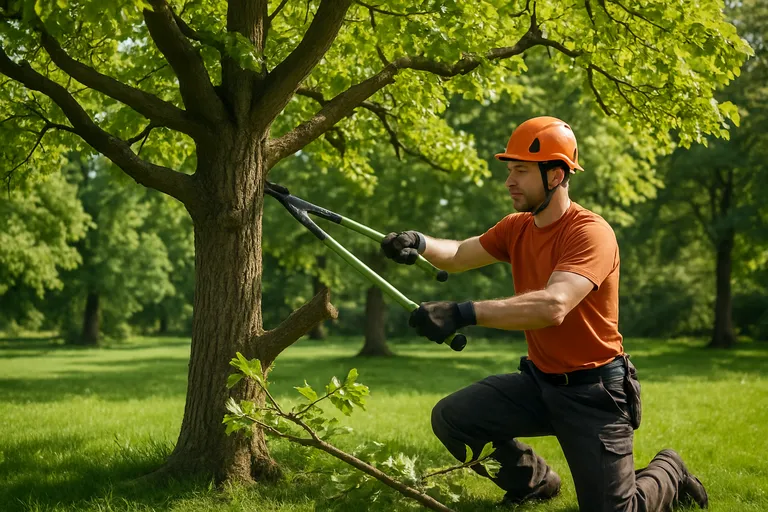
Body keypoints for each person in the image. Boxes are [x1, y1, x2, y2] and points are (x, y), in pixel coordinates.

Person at [380, 117, 709, 511]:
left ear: (555, 175)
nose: (509, 181)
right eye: (509, 171)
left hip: (595, 393)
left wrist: (463, 312)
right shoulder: (516, 227)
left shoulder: (590, 232)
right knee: (453, 419)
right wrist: (416, 241)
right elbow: (458, 253)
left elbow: (554, 305)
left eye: (520, 171)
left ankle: (670, 469)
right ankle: (534, 483)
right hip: (540, 384)